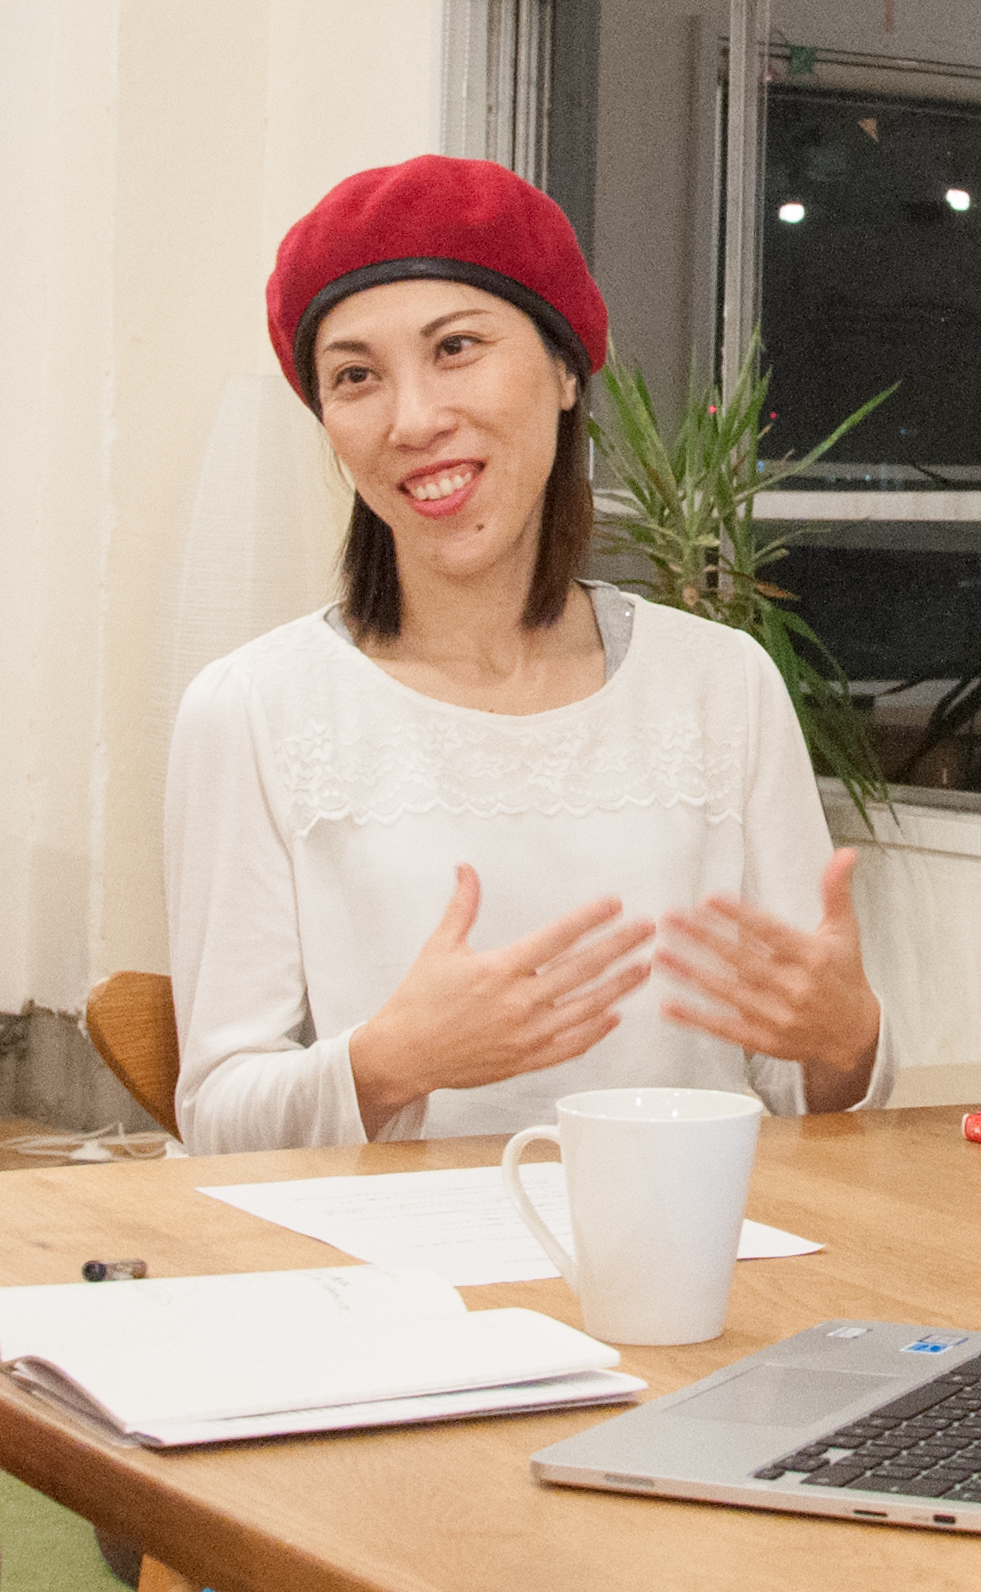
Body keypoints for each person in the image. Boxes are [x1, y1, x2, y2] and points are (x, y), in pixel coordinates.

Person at [165, 155, 892, 1151]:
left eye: (456, 347)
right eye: (356, 376)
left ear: (563, 370)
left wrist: (848, 1040)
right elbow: (217, 1115)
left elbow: (813, 1091)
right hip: (399, 1249)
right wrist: (388, 1063)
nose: (414, 419)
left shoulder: (721, 685)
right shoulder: (253, 709)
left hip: (691, 1237)